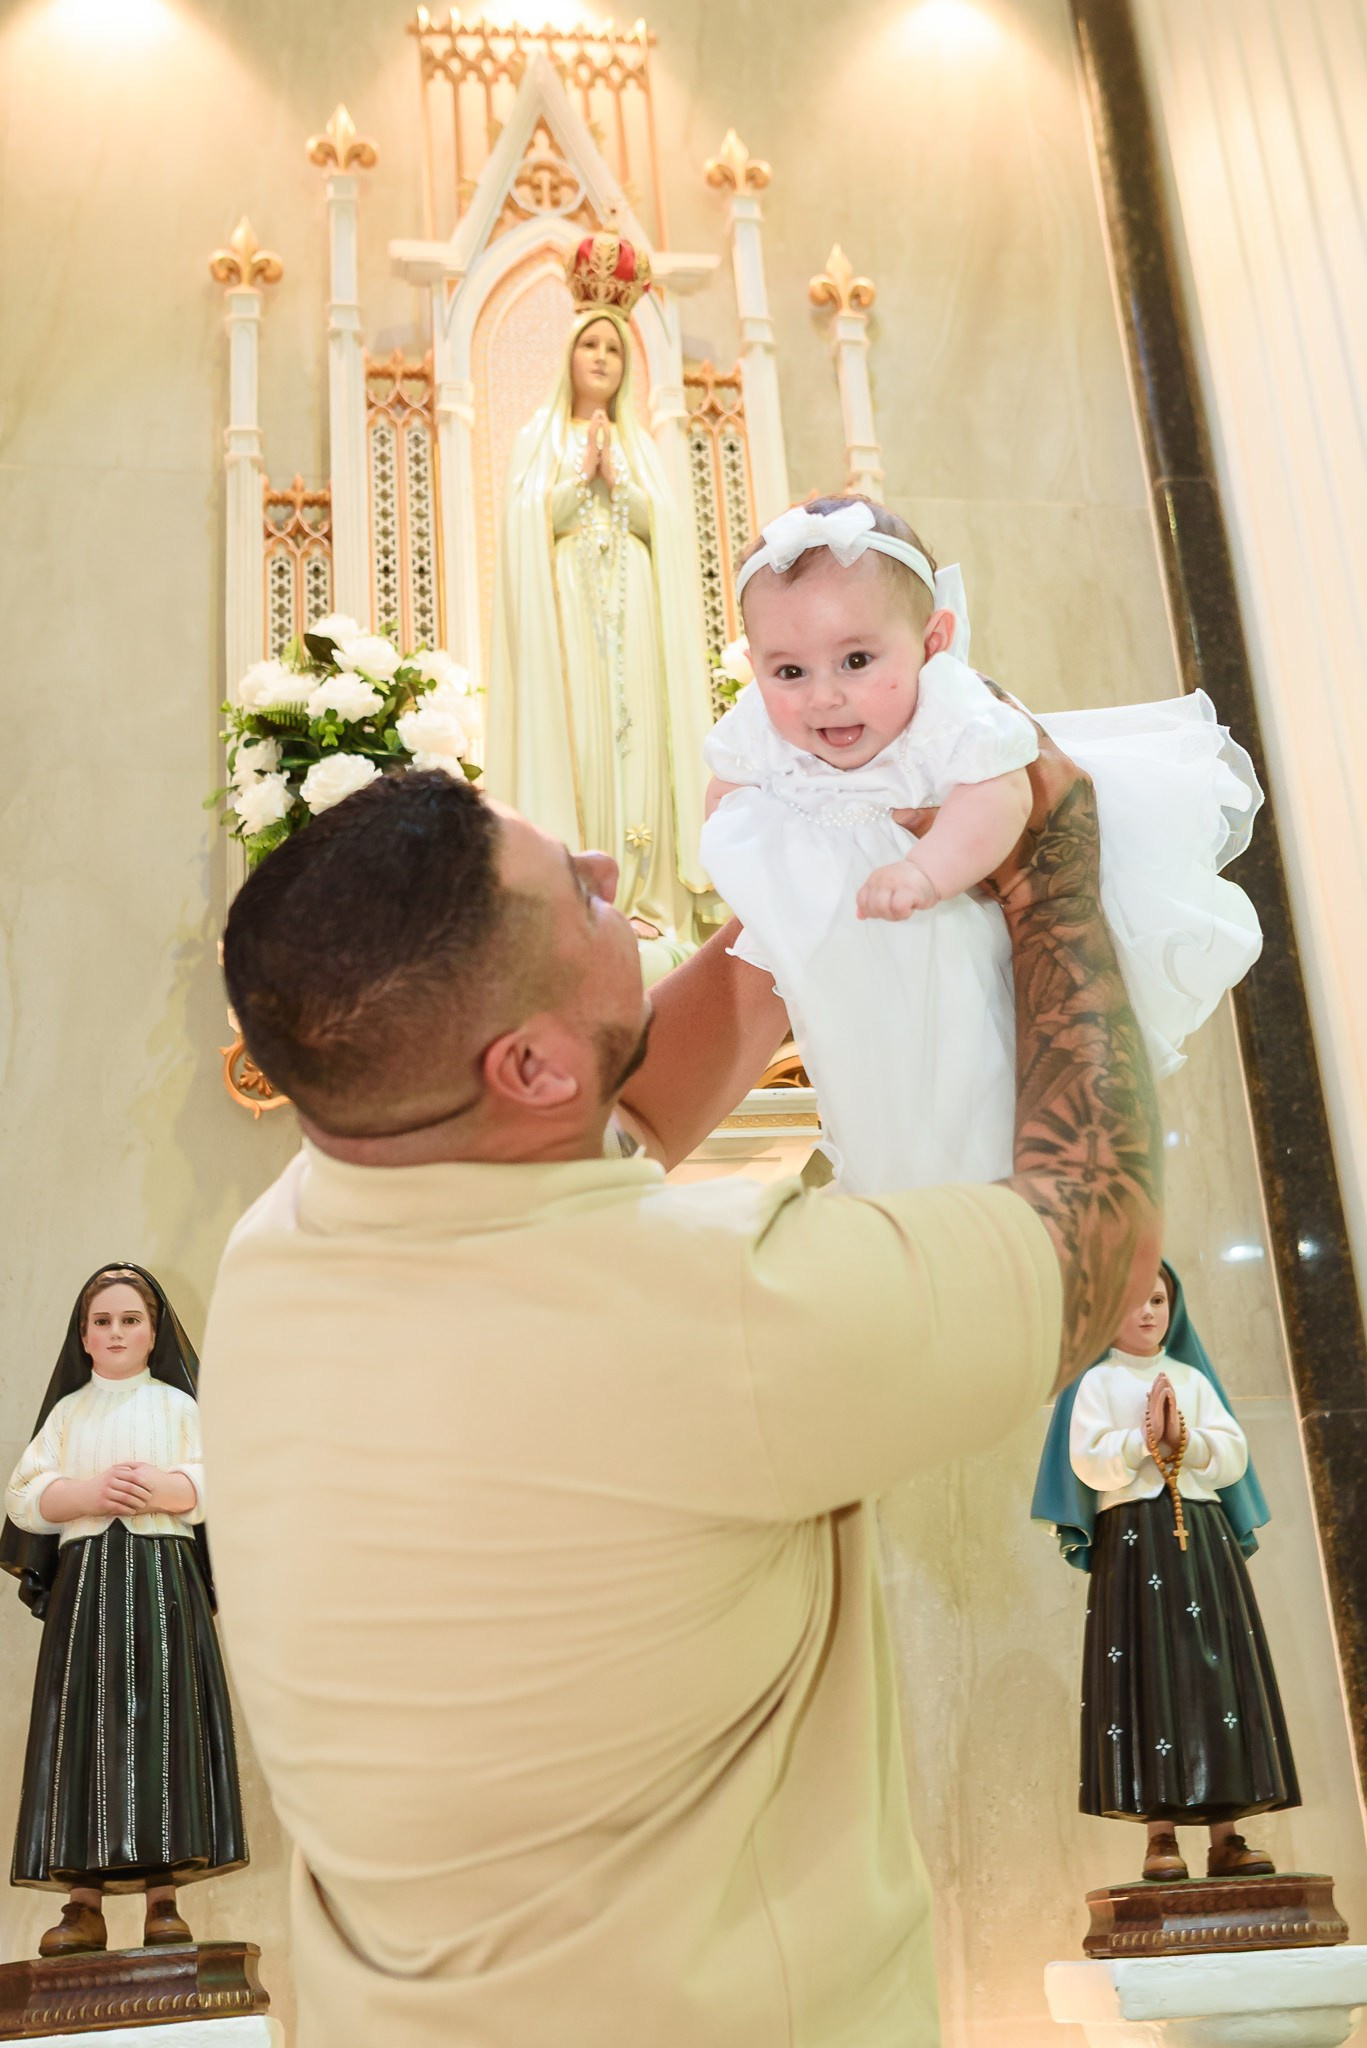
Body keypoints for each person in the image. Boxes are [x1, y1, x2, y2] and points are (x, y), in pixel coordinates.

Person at [200, 757, 1160, 2048]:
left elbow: (612, 1122)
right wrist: (1050, 863)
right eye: (581, 903)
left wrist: (805, 891)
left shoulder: (279, 1254)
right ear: (528, 1066)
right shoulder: (716, 1315)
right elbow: (1096, 1247)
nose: (611, 874)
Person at [703, 496, 1262, 1194]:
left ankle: (999, 1200)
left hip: (949, 924)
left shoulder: (950, 709)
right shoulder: (759, 724)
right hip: (849, 963)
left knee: (968, 1075)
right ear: (755, 665)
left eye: (854, 659)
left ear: (933, 642)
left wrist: (925, 872)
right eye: (789, 672)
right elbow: (727, 791)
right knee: (871, 1095)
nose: (823, 696)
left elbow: (1000, 797)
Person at [2, 1265, 247, 1956]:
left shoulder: (178, 1406)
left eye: (129, 1320)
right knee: (85, 1729)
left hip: (162, 1582)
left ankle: (162, 1898)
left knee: (162, 1725)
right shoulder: (69, 1413)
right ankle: (82, 1905)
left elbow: (223, 1473)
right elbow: (24, 1496)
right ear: (82, 1336)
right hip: (87, 1594)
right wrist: (81, 1495)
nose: (115, 1332)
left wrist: (171, 1486)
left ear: (154, 1330)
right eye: (102, 1321)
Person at [484, 230, 714, 950]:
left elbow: (667, 534)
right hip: (570, 622)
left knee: (637, 738)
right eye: (592, 347)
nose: (602, 361)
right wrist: (574, 480)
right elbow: (526, 525)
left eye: (615, 351)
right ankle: (578, 893)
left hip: (635, 620)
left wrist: (623, 488)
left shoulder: (641, 447)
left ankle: (643, 893)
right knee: (584, 741)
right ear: (570, 356)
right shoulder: (538, 439)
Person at [1032, 1263, 1299, 1884]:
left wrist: (1186, 1438)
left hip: (1202, 1540)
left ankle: (1226, 1837)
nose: (1148, 1312)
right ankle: (1160, 1837)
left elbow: (1231, 1455)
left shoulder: (1192, 1379)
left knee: (1216, 1677)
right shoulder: (1095, 1383)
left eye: (1158, 1299)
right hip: (1135, 1542)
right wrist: (1142, 1438)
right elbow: (1090, 1464)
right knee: (1149, 1675)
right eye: (1133, 1301)